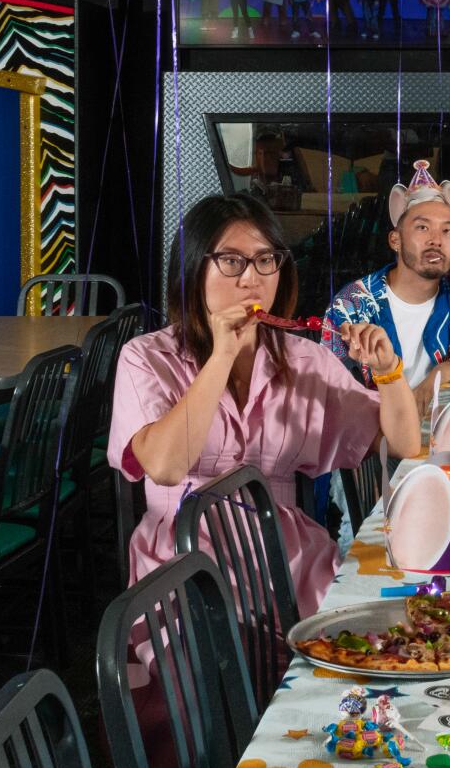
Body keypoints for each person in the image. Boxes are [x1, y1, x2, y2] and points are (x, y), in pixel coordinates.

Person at [108, 193, 423, 612]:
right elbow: (166, 467)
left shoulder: (304, 358)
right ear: (192, 268)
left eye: (265, 260)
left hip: (287, 557)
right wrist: (221, 356)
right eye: (232, 261)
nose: (250, 278)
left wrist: (389, 371)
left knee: (350, 648)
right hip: (183, 564)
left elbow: (403, 443)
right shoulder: (146, 357)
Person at [322, 159, 450, 400]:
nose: (436, 240)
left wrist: (446, 370)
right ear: (396, 240)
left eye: (447, 231)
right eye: (422, 228)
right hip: (371, 432)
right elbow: (330, 392)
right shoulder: (352, 305)